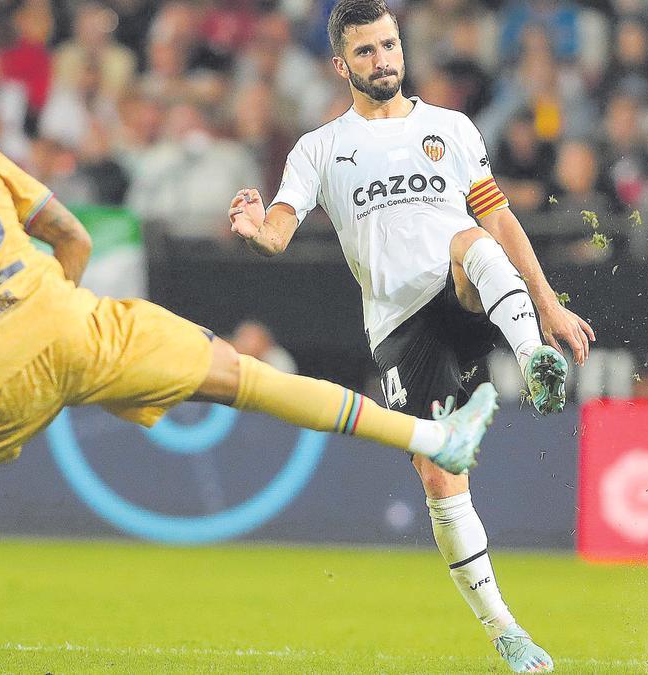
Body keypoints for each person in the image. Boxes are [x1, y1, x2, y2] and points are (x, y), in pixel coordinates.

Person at [0, 72, 500, 675]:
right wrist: (58, 336)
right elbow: (72, 236)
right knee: (243, 377)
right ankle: (433, 438)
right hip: (73, 328)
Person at [227, 2, 594, 671]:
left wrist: (549, 305)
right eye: (366, 52)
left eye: (390, 45)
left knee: (470, 239)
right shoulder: (319, 149)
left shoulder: (451, 128)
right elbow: (278, 231)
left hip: (461, 288)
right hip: (399, 327)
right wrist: (256, 230)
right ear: (341, 65)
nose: (383, 61)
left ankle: (533, 360)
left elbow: (501, 221)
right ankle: (507, 631)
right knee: (440, 474)